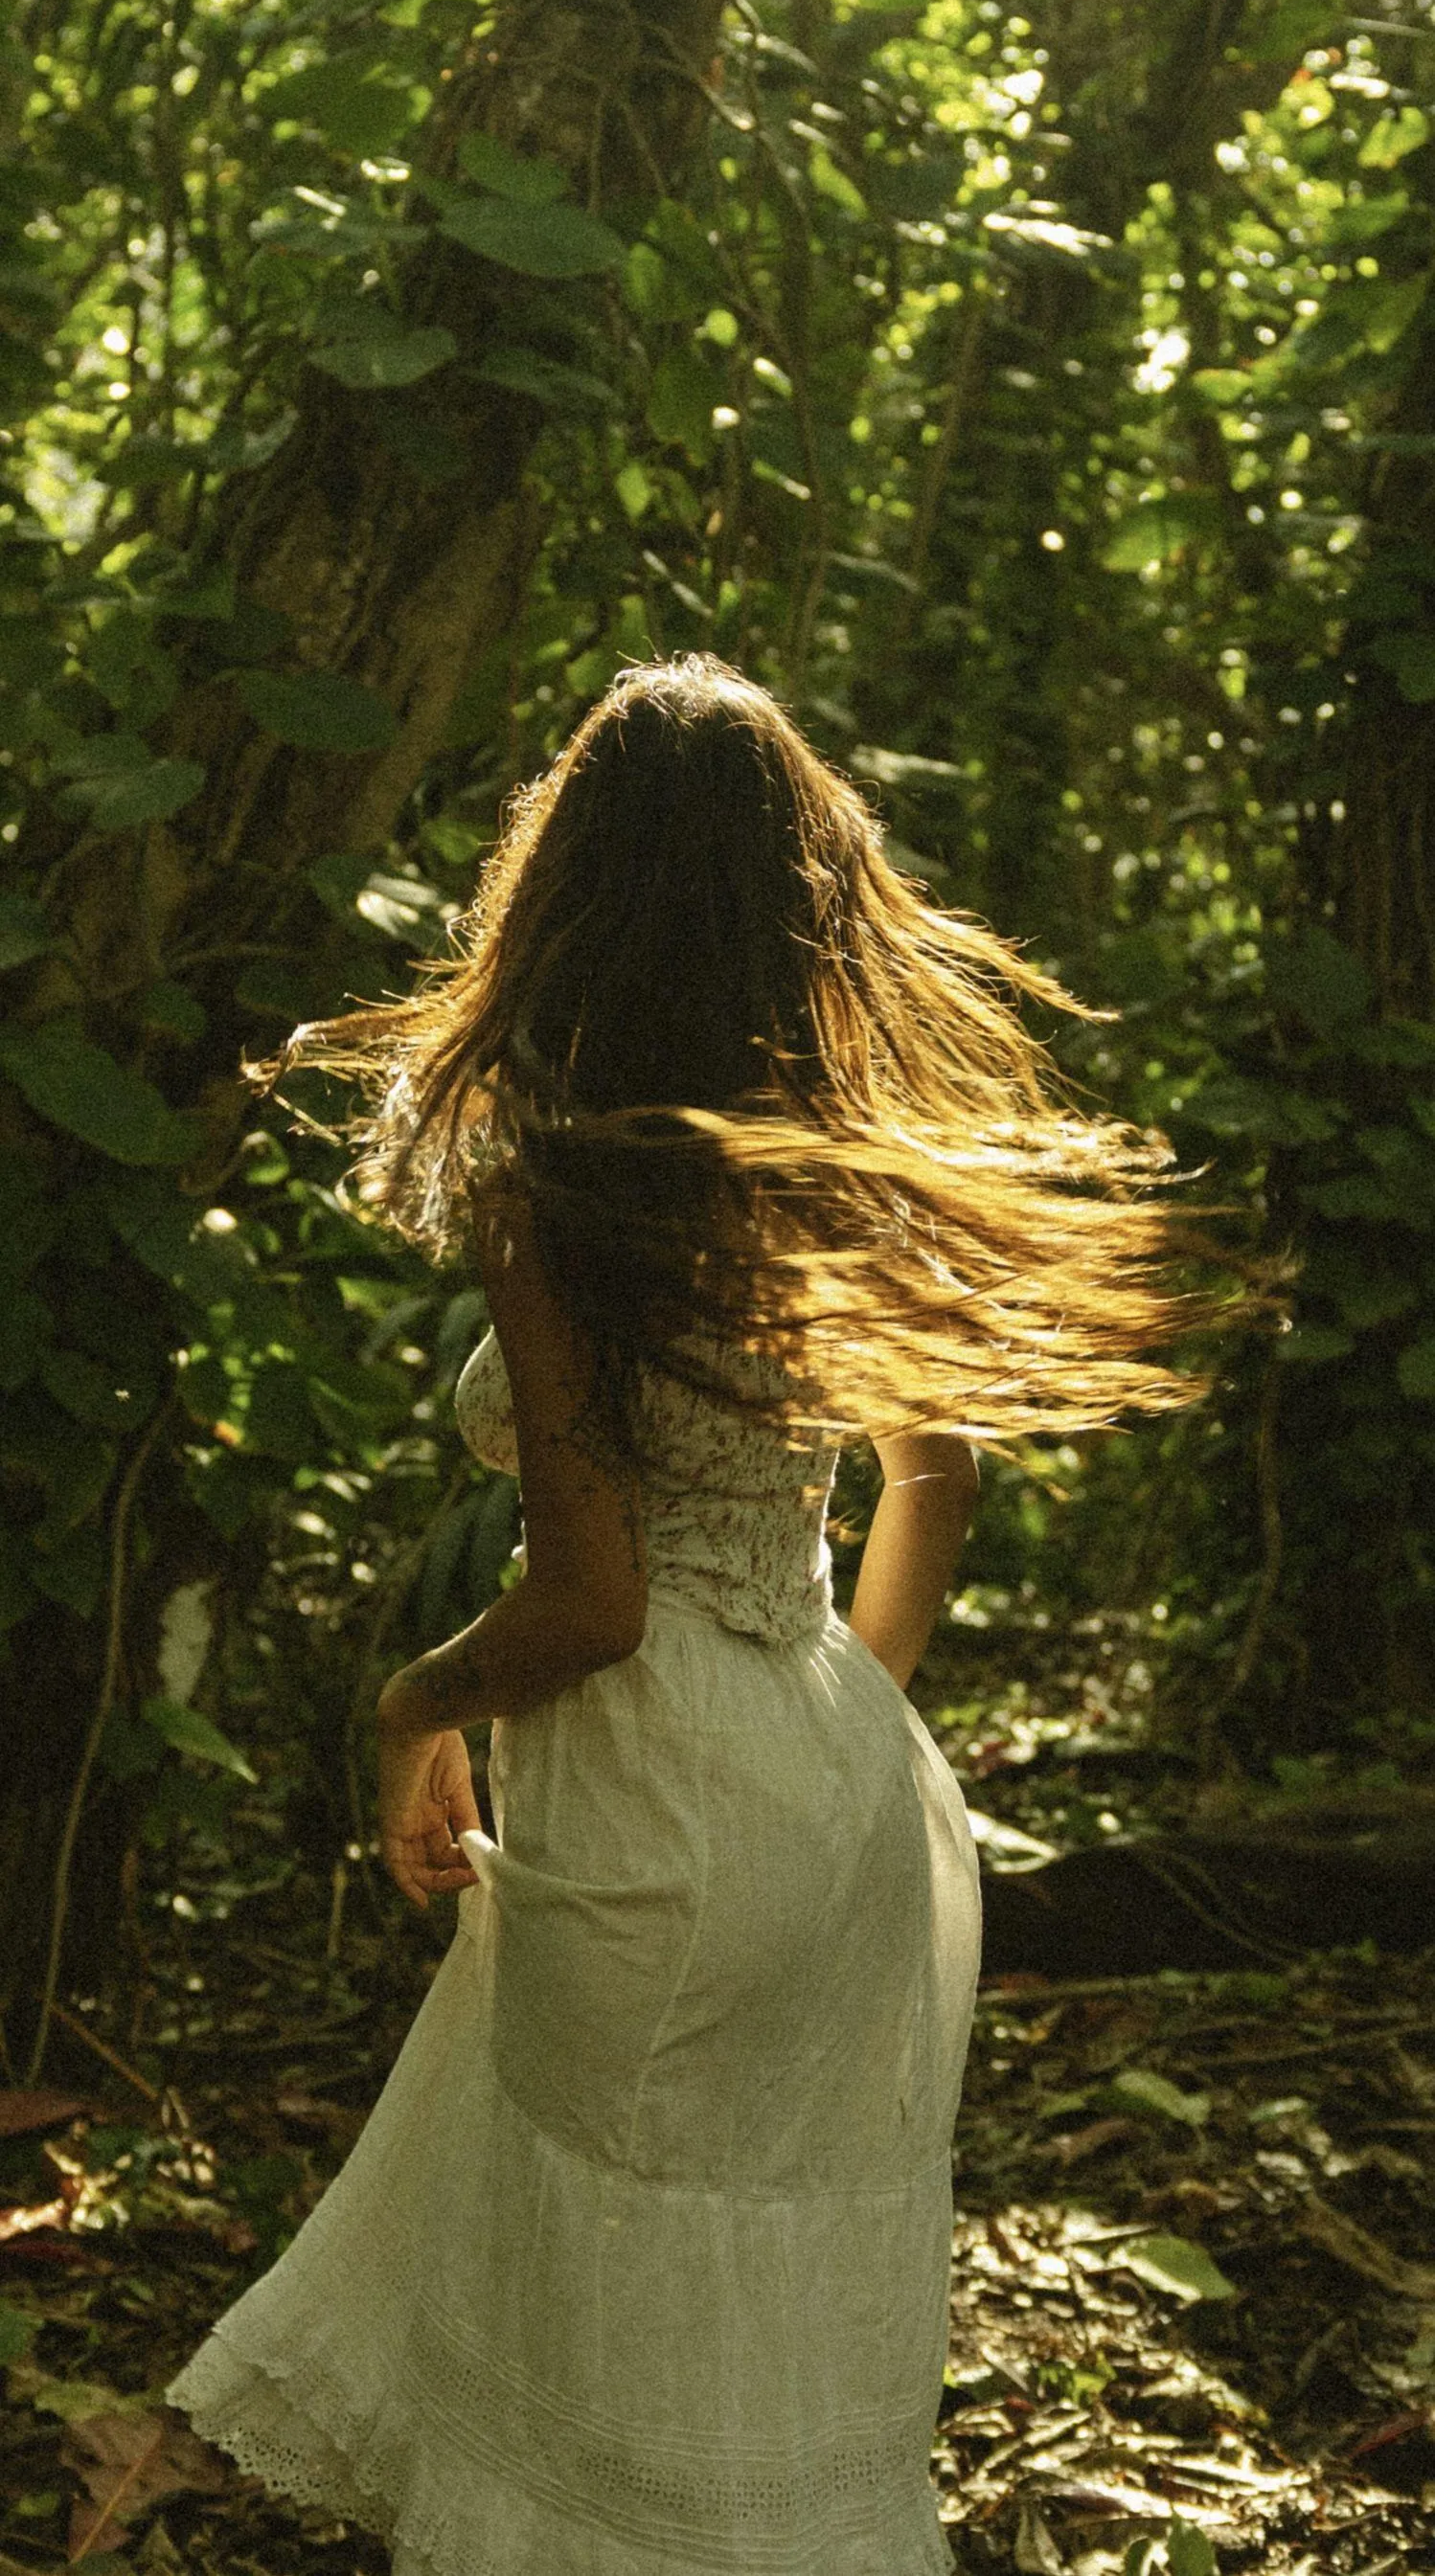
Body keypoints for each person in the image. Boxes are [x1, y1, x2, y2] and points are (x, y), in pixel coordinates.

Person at [167, 654, 1263, 2575]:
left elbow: (591, 1600)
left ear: (565, 893)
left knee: (601, 2322)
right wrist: (834, 1719)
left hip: (653, 1789)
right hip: (835, 1780)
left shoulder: (554, 1189)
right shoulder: (842, 1176)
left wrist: (408, 1705)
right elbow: (935, 1482)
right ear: (799, 902)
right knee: (750, 2316)